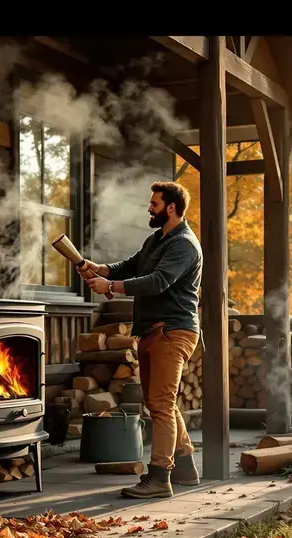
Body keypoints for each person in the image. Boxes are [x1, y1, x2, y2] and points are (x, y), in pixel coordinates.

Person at [77, 181, 202, 499]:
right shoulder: (156, 240)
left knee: (160, 404)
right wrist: (101, 269)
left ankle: (160, 478)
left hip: (173, 331)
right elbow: (131, 266)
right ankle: (185, 466)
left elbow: (158, 281)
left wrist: (110, 286)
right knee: (162, 402)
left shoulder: (184, 244)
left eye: (155, 203)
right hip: (153, 330)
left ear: (171, 207)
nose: (149, 207)